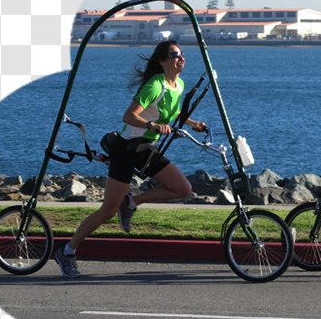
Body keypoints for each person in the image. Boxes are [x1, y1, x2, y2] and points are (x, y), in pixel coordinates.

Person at [53, 40, 207, 278]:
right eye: (175, 55)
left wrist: (193, 123)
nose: (181, 58)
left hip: (146, 149)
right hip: (127, 150)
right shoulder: (154, 85)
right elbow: (129, 116)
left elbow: (173, 110)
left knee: (182, 188)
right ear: (163, 61)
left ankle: (132, 202)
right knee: (107, 211)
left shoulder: (177, 85)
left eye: (182, 54)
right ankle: (67, 251)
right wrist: (151, 124)